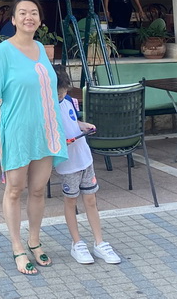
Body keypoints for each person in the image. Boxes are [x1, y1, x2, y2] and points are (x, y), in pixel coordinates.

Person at [0, 0, 67, 276]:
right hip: (17, 128)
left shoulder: (42, 48)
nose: (29, 17)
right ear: (14, 20)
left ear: (40, 21)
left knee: (39, 189)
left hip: (44, 129)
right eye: (23, 13)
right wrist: (0, 114)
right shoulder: (3, 51)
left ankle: (35, 240)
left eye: (34, 13)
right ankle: (18, 246)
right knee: (15, 188)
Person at [53, 68, 123, 265]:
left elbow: (74, 122)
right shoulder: (46, 108)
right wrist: (60, 143)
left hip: (85, 158)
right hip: (67, 165)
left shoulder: (68, 101)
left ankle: (99, 242)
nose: (62, 95)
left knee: (91, 200)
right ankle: (77, 243)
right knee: (71, 202)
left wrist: (83, 126)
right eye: (58, 92)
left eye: (64, 90)